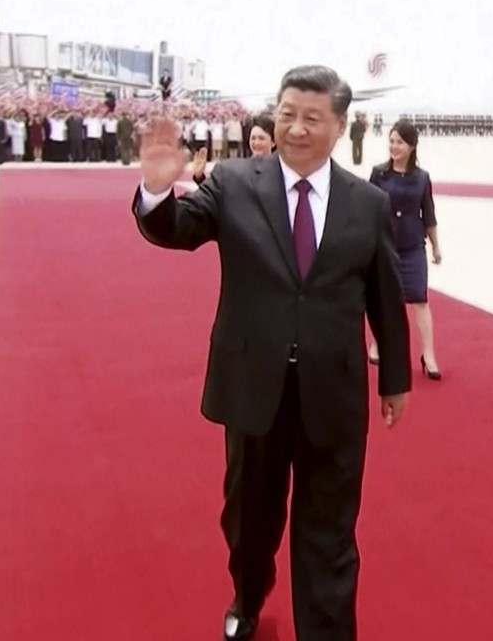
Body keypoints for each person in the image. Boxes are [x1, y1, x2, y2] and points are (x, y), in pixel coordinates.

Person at [132, 65, 412, 641]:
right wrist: (157, 193)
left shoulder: (368, 203)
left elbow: (385, 296)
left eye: (312, 118)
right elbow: (179, 228)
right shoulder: (234, 182)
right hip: (253, 387)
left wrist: (395, 378)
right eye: (288, 114)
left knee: (330, 530)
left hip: (332, 393)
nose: (297, 128)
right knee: (249, 518)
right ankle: (248, 593)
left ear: (340, 125)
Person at [367, 120, 442, 379]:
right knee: (384, 297)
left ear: (411, 146)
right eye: (392, 141)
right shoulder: (379, 174)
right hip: (384, 244)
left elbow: (428, 213)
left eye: (400, 142)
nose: (394, 146)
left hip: (413, 246)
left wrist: (436, 246)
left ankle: (428, 355)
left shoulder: (422, 178)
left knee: (420, 299)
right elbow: (368, 209)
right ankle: (377, 342)